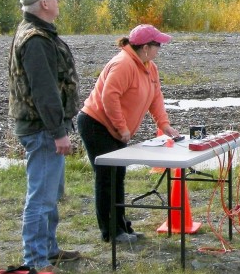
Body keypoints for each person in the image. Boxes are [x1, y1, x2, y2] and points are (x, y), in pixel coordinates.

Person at [77, 24, 183, 243]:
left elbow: (156, 97)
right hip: (96, 125)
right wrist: (122, 127)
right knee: (107, 178)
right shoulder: (123, 64)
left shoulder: (149, 67)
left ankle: (122, 227)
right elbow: (109, 97)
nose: (159, 49)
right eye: (157, 45)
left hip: (113, 129)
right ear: (145, 47)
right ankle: (111, 233)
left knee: (119, 176)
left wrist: (165, 125)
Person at [8, 0, 82, 270]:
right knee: (40, 198)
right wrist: (58, 132)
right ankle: (35, 262)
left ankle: (48, 250)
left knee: (49, 195)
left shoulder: (36, 33)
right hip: (42, 129)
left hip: (43, 127)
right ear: (44, 3)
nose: (58, 0)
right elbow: (45, 92)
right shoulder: (36, 39)